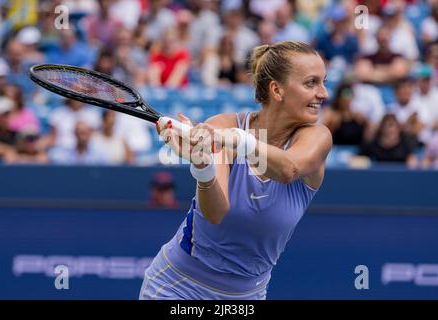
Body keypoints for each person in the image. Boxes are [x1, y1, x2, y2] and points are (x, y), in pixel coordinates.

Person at [139, 41, 332, 300]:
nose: (324, 93)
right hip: (178, 287)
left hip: (246, 297)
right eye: (311, 83)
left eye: (324, 82)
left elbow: (288, 168)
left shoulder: (318, 137)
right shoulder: (223, 124)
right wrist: (202, 164)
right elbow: (215, 213)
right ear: (277, 90)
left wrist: (236, 139)